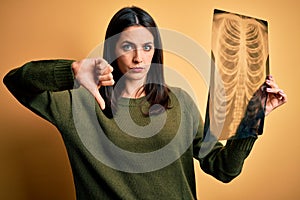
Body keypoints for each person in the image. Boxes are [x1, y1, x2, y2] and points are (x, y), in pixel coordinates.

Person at [3, 6, 287, 200]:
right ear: (112, 50)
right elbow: (15, 80)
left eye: (147, 47)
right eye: (128, 47)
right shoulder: (77, 104)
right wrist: (73, 69)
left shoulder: (179, 103)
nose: (139, 58)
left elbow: (223, 168)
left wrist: (253, 118)